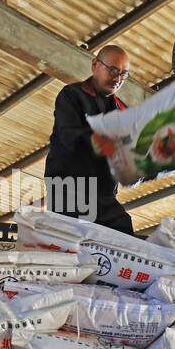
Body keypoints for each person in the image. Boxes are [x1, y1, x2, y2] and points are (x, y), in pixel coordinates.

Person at [43, 43, 134, 235]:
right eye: (113, 70)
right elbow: (69, 137)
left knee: (123, 229)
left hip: (104, 194)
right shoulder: (72, 95)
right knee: (70, 245)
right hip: (68, 188)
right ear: (95, 65)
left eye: (123, 74)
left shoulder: (123, 112)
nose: (118, 79)